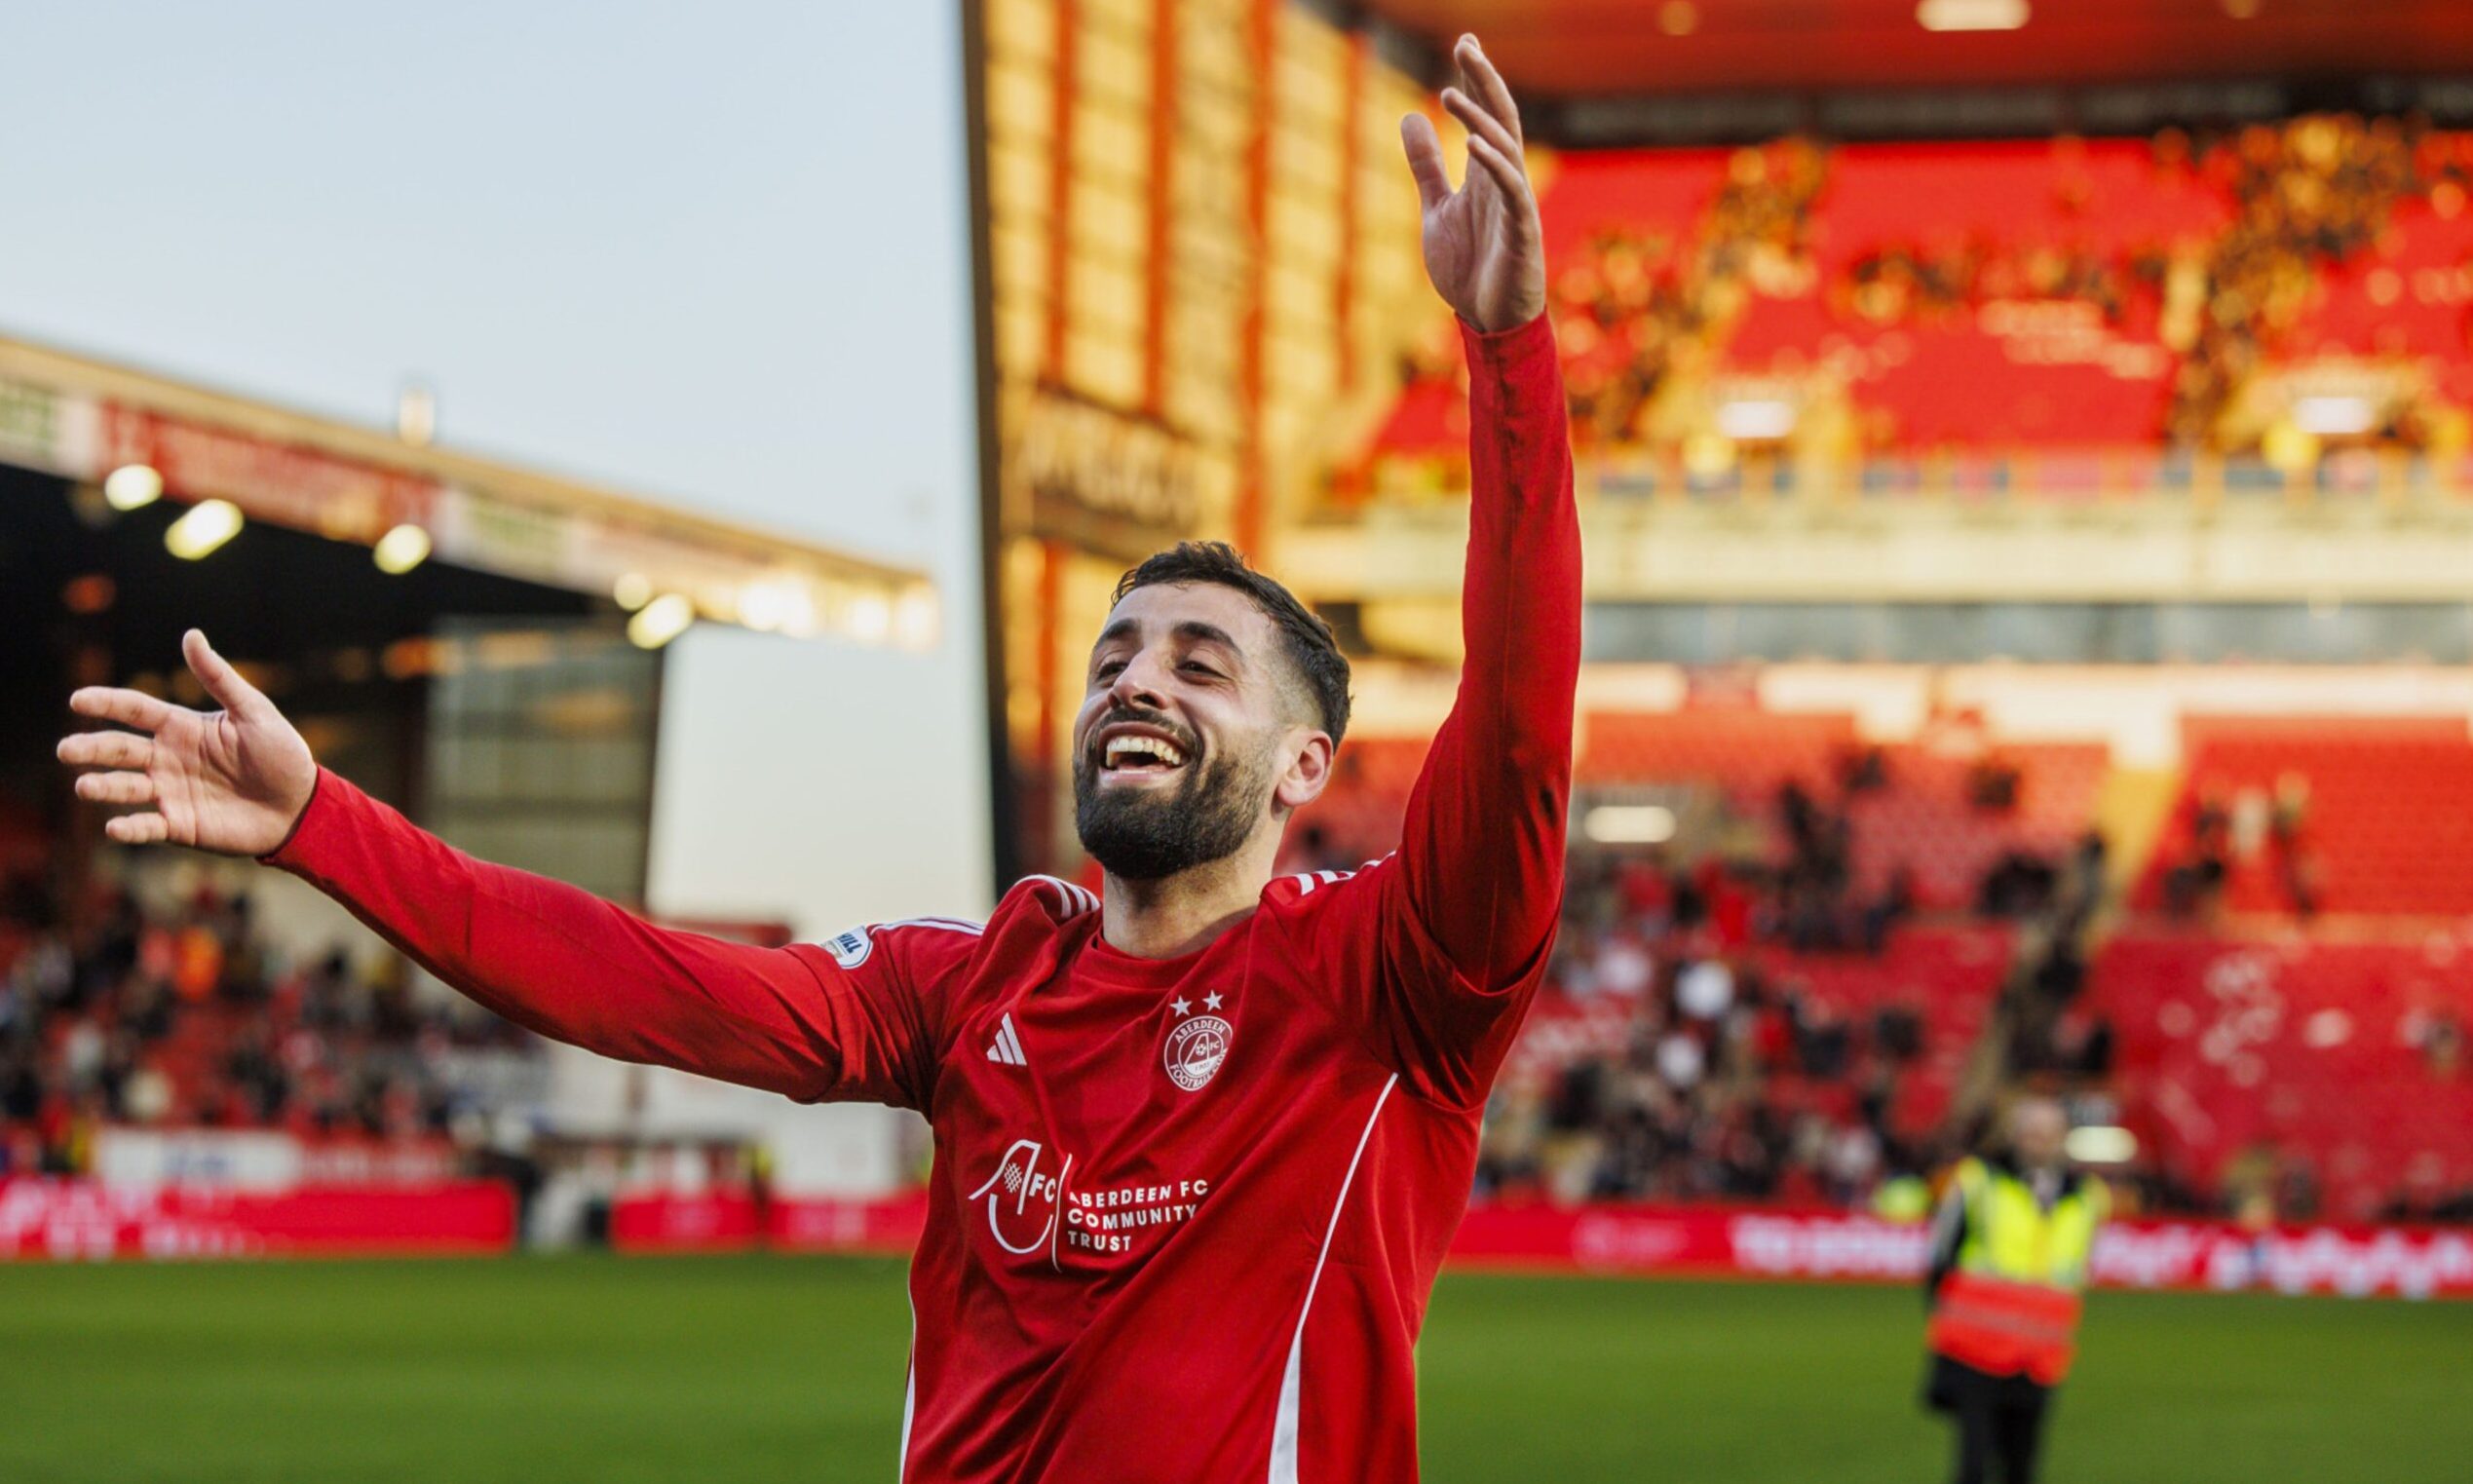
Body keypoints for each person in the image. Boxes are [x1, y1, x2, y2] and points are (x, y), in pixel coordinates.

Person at [55, 34, 1574, 1484]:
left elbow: (1510, 727)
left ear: (1307, 763)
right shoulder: (972, 982)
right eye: (1114, 651)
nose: (1135, 681)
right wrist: (325, 821)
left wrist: (1504, 354)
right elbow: (650, 985)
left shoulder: (1391, 978)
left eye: (1198, 661)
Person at [1922, 1096, 2109, 1484]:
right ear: (2014, 1134)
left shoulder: (2086, 1195)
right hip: (1975, 1347)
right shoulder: (1979, 1180)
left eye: (2048, 1132)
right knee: (1972, 1466)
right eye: (2031, 1131)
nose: (2039, 1141)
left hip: (2039, 1355)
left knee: (2021, 1467)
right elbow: (1941, 1256)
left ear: (2063, 1138)